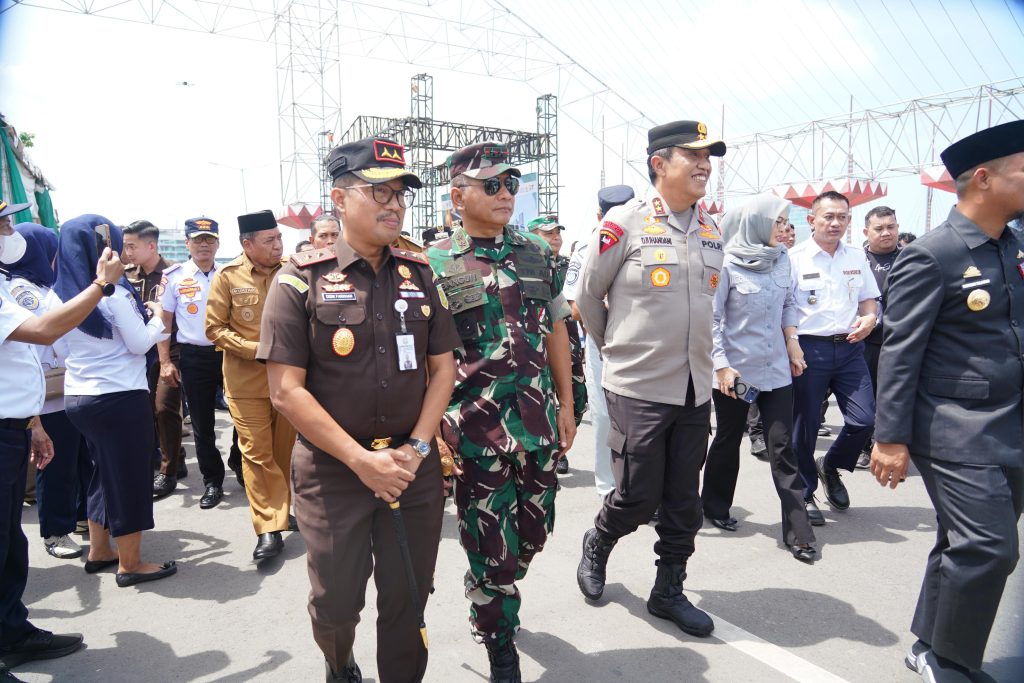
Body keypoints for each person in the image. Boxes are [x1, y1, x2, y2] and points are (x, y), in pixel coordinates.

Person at [260, 136, 459, 683]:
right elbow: (286, 391)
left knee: (408, 597)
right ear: (339, 199)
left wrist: (417, 448)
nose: (394, 205)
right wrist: (360, 461)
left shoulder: (421, 274)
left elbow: (443, 369)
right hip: (333, 471)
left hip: (410, 469)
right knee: (335, 602)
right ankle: (338, 661)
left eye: (400, 193)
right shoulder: (298, 279)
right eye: (379, 192)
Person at [871, 120, 1024, 683]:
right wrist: (890, 438)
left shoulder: (1013, 247)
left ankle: (929, 642)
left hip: (1010, 424)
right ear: (983, 178)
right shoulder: (932, 255)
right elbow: (899, 352)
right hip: (955, 426)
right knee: (989, 548)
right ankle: (952, 662)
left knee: (962, 542)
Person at [426, 141, 575, 682]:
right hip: (474, 428)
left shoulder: (536, 251)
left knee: (533, 535)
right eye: (491, 185)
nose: (506, 194)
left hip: (537, 422)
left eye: (510, 184)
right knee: (493, 549)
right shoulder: (435, 262)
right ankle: (498, 637)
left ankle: (493, 586)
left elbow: (556, 328)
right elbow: (427, 356)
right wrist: (433, 431)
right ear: (457, 196)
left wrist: (568, 405)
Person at [575, 120, 726, 639]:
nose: (705, 165)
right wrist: (617, 352)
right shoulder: (625, 221)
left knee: (684, 500)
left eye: (709, 157)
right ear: (660, 163)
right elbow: (586, 296)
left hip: (694, 388)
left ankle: (668, 590)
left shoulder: (711, 228)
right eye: (694, 155)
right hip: (637, 386)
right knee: (638, 495)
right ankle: (600, 538)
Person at [0, 199, 127, 676]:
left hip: (13, 425)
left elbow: (13, 365)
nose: (11, 231)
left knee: (9, 544)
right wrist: (100, 284)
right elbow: (44, 330)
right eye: (4, 224)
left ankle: (12, 634)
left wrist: (31, 423)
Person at [54, 215, 177, 588]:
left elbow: (58, 351)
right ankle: (131, 562)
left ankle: (100, 550)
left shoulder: (58, 294)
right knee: (129, 479)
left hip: (80, 397)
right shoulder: (115, 293)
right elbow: (140, 344)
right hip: (120, 397)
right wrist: (158, 318)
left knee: (101, 474)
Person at [700, 195, 816, 562]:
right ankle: (714, 506)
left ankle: (799, 533)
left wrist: (793, 343)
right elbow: (711, 319)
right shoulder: (726, 263)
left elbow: (789, 304)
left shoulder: (782, 259)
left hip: (777, 370)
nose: (783, 228)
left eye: (785, 222)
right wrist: (721, 365)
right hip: (737, 373)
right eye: (777, 221)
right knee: (728, 439)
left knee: (782, 446)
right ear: (756, 223)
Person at [205, 210, 297, 561]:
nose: (278, 245)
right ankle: (268, 527)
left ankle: (281, 509)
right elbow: (214, 329)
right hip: (246, 383)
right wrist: (257, 350)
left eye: (279, 238)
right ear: (247, 244)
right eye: (269, 240)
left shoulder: (293, 271)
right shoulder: (228, 277)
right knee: (257, 454)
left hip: (289, 382)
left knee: (282, 452)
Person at [788, 191, 879, 524]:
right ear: (812, 220)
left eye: (842, 217)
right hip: (808, 348)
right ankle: (804, 492)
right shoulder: (794, 258)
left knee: (863, 420)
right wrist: (791, 344)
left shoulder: (856, 256)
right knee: (805, 425)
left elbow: (868, 299)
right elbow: (785, 308)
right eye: (828, 216)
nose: (835, 223)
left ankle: (831, 465)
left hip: (850, 347)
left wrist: (870, 318)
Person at [7, 223, 92, 561]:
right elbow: (47, 330)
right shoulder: (21, 290)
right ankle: (56, 531)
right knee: (55, 465)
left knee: (78, 459)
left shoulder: (46, 286)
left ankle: (82, 516)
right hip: (46, 394)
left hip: (69, 387)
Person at [158, 217, 239, 509]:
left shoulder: (231, 273)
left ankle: (238, 462)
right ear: (187, 244)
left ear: (218, 243)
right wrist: (165, 361)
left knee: (243, 417)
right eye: (198, 239)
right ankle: (213, 480)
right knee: (203, 424)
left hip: (230, 353)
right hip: (194, 357)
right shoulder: (174, 276)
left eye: (209, 239)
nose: (204, 245)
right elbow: (164, 322)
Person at [563, 185, 634, 498]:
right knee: (605, 416)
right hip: (602, 343)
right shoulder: (587, 249)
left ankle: (639, 485)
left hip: (644, 345)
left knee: (643, 418)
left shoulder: (649, 242)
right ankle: (609, 487)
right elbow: (575, 308)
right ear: (599, 216)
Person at [122, 220, 187, 497]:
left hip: (171, 351)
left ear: (151, 246)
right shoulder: (126, 274)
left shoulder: (176, 274)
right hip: (139, 353)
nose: (128, 252)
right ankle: (174, 458)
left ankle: (168, 472)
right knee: (146, 411)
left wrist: (167, 360)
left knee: (165, 408)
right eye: (125, 246)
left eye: (132, 246)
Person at [528, 214, 587, 476]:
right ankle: (554, 451)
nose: (555, 238)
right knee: (544, 399)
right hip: (540, 344)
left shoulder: (567, 266)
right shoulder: (524, 265)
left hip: (569, 342)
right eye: (548, 233)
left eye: (557, 233)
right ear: (533, 236)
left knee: (577, 398)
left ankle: (563, 441)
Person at [857, 206, 900, 469]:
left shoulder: (913, 259)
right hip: (866, 342)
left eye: (891, 227)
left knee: (896, 397)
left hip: (901, 342)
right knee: (867, 398)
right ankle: (864, 447)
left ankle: (893, 446)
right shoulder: (855, 260)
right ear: (866, 231)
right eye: (879, 228)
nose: (886, 233)